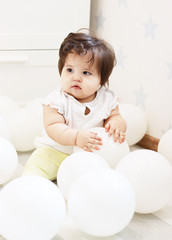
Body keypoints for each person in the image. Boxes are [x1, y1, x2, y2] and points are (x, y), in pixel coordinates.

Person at [23, 30, 127, 180]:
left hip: (90, 154)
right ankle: (32, 183)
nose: (76, 78)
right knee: (36, 168)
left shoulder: (107, 99)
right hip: (55, 151)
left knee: (100, 178)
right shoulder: (56, 101)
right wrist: (76, 137)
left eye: (86, 73)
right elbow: (53, 127)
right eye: (70, 70)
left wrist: (116, 124)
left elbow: (115, 116)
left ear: (101, 80)